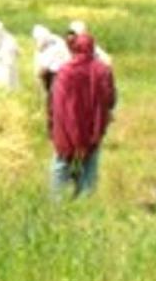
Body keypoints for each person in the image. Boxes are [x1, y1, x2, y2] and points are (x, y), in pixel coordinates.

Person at [49, 34, 116, 199]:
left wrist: (52, 122)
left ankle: (56, 200)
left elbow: (55, 101)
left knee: (61, 163)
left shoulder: (65, 70)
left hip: (67, 125)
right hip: (92, 125)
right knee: (90, 164)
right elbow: (110, 98)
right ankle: (85, 199)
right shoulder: (102, 70)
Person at [32, 25, 70, 96]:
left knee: (55, 95)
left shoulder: (55, 45)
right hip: (53, 73)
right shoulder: (48, 40)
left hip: (57, 73)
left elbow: (44, 68)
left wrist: (38, 77)